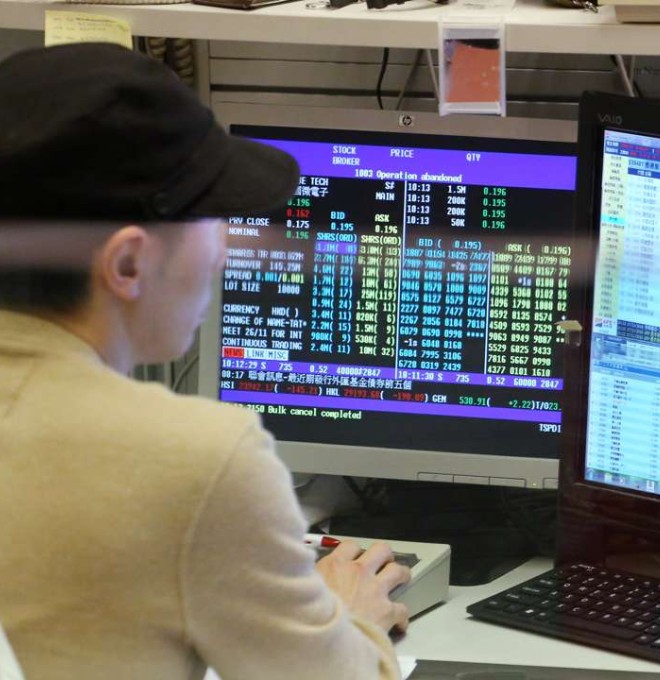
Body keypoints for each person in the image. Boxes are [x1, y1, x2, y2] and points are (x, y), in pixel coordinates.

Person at [0, 42, 410, 680]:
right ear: (129, 263)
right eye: (214, 218)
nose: (223, 252)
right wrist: (344, 617)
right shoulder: (190, 458)